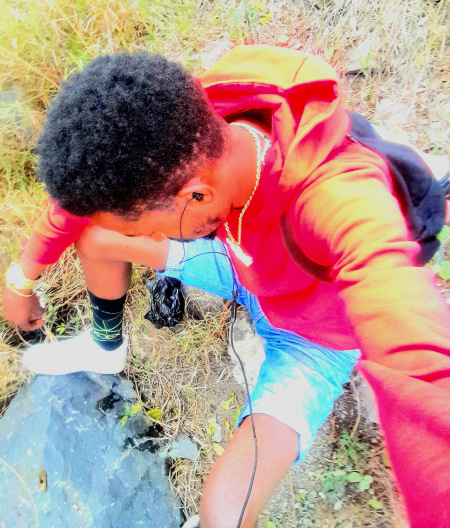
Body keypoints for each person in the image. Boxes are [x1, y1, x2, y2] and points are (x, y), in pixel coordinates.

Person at [2, 46, 449, 528]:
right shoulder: (202, 119)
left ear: (195, 194)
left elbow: (419, 362)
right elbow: (99, 184)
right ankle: (106, 347)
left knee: (224, 512)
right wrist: (21, 277)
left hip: (310, 338)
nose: (149, 238)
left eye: (148, 228)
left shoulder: (339, 201)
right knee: (96, 237)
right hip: (243, 266)